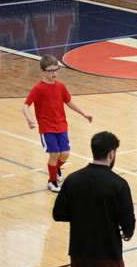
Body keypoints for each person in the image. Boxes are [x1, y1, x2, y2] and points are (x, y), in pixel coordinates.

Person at [52, 131, 136, 267]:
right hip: (107, 253)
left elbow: (58, 214)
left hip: (79, 250)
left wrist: (82, 215)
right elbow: (127, 221)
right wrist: (128, 232)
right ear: (112, 154)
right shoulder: (118, 184)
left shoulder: (73, 179)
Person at [22, 54, 92, 193]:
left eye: (56, 69)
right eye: (51, 71)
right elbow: (25, 105)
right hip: (47, 128)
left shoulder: (61, 87)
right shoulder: (38, 89)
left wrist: (84, 113)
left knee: (65, 154)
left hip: (61, 125)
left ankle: (56, 169)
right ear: (42, 71)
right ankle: (52, 182)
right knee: (53, 154)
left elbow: (69, 102)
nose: (54, 73)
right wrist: (29, 119)